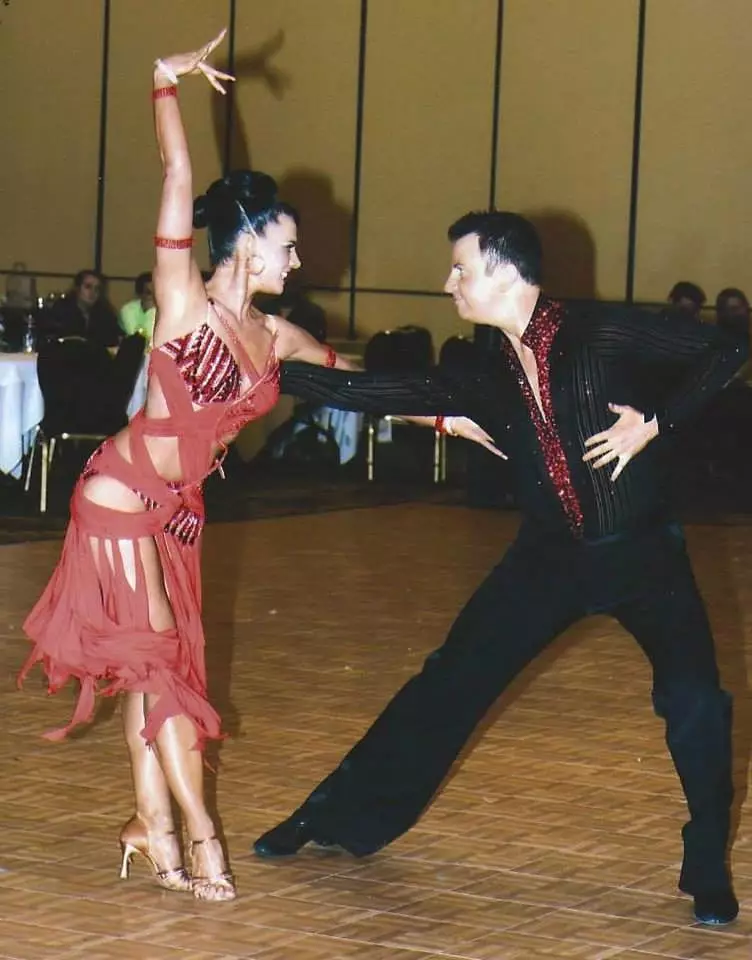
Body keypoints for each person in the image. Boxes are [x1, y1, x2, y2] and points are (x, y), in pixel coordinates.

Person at [18, 31, 495, 903]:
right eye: (288, 245)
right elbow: (173, 183)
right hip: (119, 500)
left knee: (156, 670)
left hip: (178, 516)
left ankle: (146, 824)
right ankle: (197, 834)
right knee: (158, 664)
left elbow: (355, 381)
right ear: (243, 244)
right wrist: (165, 89)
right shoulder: (181, 300)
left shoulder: (276, 338)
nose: (299, 259)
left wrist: (448, 417)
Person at [256, 211, 748, 927]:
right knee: (445, 685)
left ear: (507, 271)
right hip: (548, 559)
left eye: (462, 268)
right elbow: (386, 393)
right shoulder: (484, 368)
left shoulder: (599, 331)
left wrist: (656, 421)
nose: (448, 282)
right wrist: (268, 375)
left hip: (642, 553)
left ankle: (705, 864)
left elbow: (725, 350)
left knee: (696, 700)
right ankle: (331, 818)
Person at [43, 269, 122, 347]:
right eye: (88, 287)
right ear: (77, 288)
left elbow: (113, 341)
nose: (92, 292)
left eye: (97, 289)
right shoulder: (62, 311)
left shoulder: (105, 314)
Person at [119, 271, 156, 342]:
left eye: (154, 291)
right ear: (139, 292)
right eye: (148, 292)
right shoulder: (127, 309)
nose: (152, 296)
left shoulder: (165, 312)